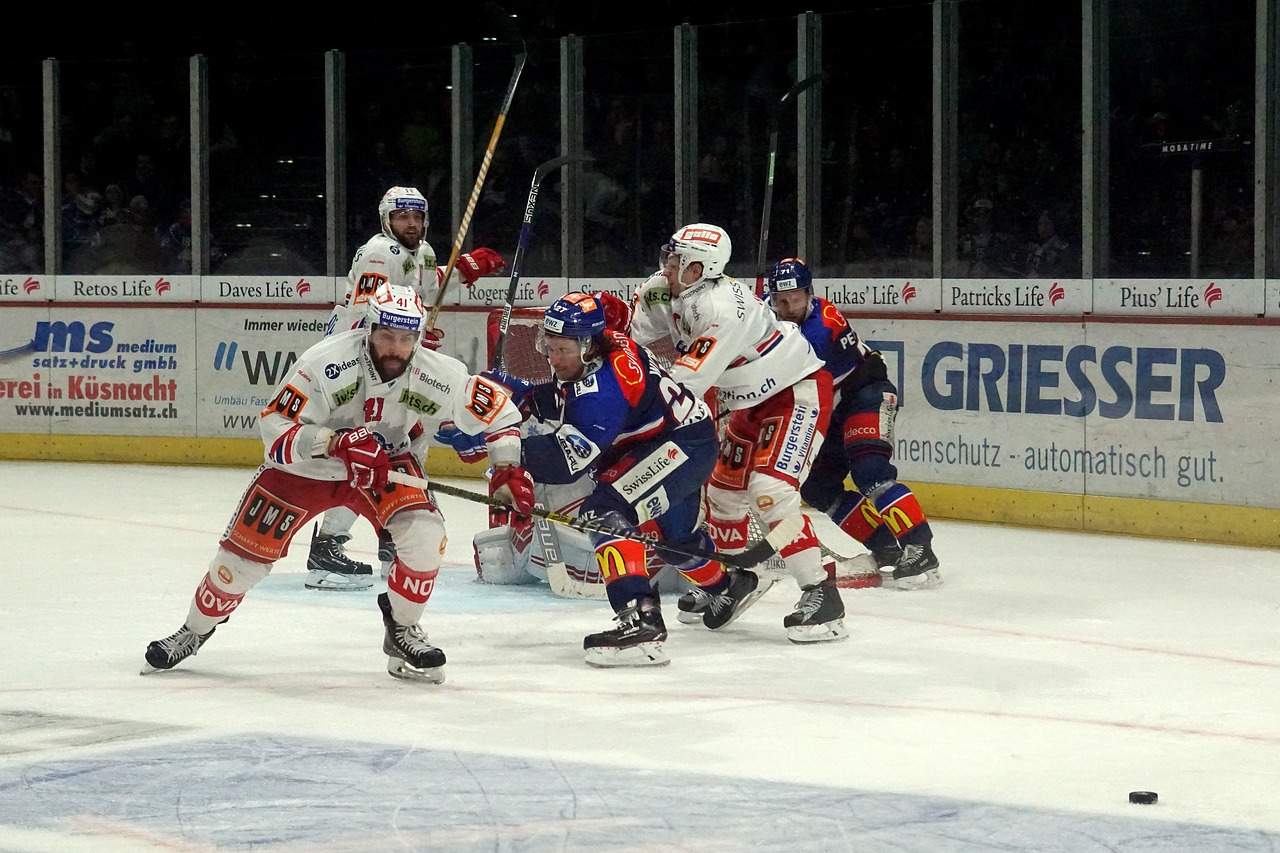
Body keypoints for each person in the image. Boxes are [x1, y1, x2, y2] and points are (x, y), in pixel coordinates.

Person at [141, 281, 527, 684]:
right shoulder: (324, 362)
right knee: (240, 565)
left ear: (418, 336)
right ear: (368, 329)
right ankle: (193, 630)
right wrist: (334, 441)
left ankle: (402, 628)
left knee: (426, 539)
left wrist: (506, 470)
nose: (395, 347)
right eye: (386, 335)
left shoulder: (435, 370)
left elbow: (500, 412)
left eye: (406, 337)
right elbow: (274, 426)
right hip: (307, 469)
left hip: (385, 463)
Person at [629, 223, 846, 644]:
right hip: (748, 400)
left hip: (794, 391)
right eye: (668, 258)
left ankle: (822, 592)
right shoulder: (661, 288)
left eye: (676, 261)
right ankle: (733, 580)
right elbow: (633, 341)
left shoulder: (722, 310)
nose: (666, 268)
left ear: (699, 268)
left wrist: (632, 414)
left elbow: (683, 385)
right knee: (723, 492)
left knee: (770, 491)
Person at [480, 292, 721, 667]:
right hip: (674, 438)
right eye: (550, 347)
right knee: (675, 542)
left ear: (588, 344)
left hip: (681, 446)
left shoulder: (602, 393)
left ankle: (640, 619)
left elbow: (565, 462)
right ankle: (726, 587)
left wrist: (505, 448)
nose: (552, 359)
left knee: (603, 511)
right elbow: (566, 396)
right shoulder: (604, 350)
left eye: (562, 350)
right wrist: (521, 396)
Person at [305, 185, 505, 591]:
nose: (411, 224)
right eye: (402, 217)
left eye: (416, 217)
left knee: (408, 444)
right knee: (371, 448)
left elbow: (426, 293)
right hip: (357, 364)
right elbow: (367, 315)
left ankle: (389, 536)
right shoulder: (381, 253)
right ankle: (327, 546)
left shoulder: (425, 251)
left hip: (391, 365)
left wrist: (463, 269)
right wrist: (402, 339)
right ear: (386, 221)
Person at [766, 257, 941, 590]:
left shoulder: (819, 329)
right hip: (832, 406)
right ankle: (885, 543)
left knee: (871, 472)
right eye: (781, 300)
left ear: (810, 294)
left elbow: (787, 385)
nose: (789, 306)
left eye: (796, 299)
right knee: (817, 487)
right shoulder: (771, 312)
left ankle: (919, 546)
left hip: (866, 393)